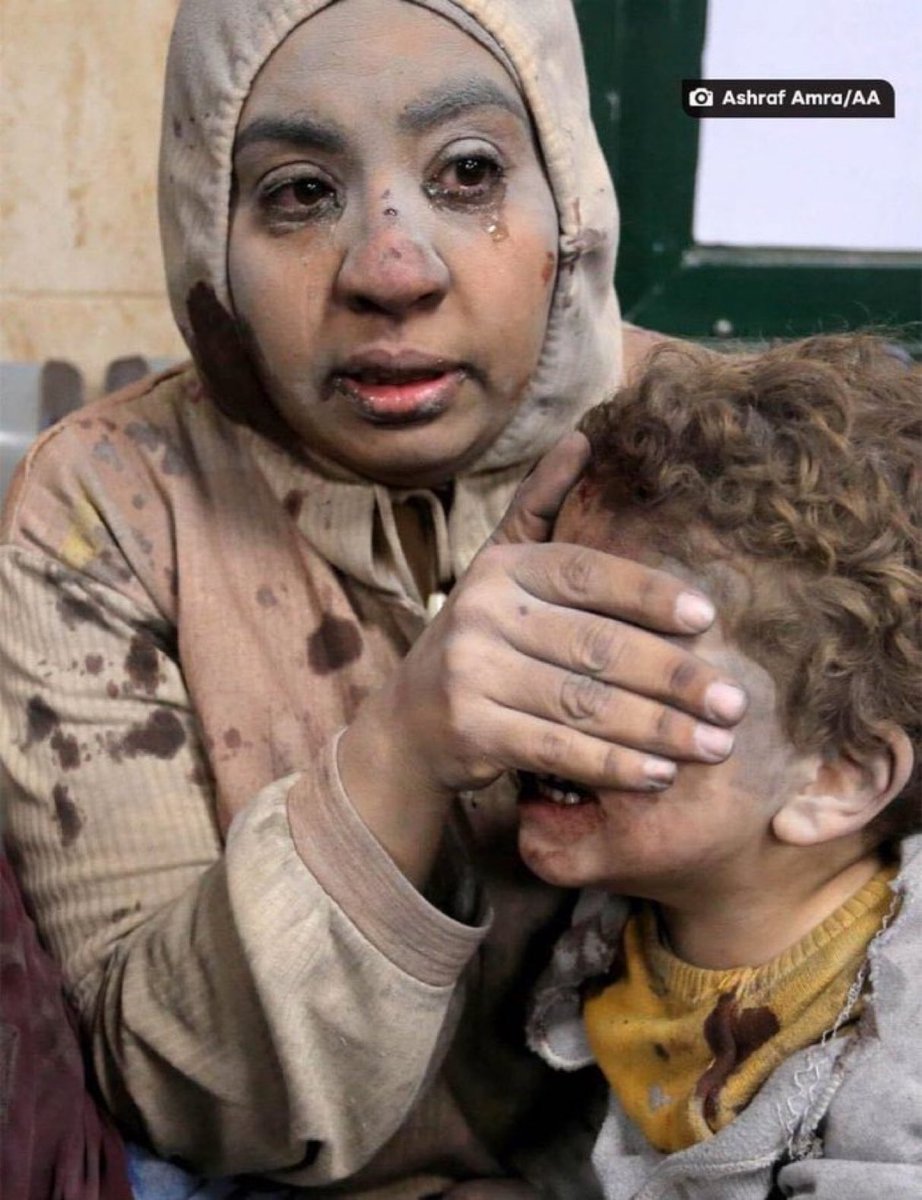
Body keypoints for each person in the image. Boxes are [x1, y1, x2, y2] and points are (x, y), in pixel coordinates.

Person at [0, 1, 749, 1195]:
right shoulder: (105, 502)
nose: (391, 270)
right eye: (298, 192)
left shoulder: (744, 450)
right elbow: (176, 1096)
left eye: (467, 172)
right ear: (208, 232)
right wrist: (400, 751)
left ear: (568, 201)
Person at [525, 335, 922, 1198]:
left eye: (627, 662)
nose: (549, 689)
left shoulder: (905, 1048)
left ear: (837, 777)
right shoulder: (623, 909)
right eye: (548, 623)